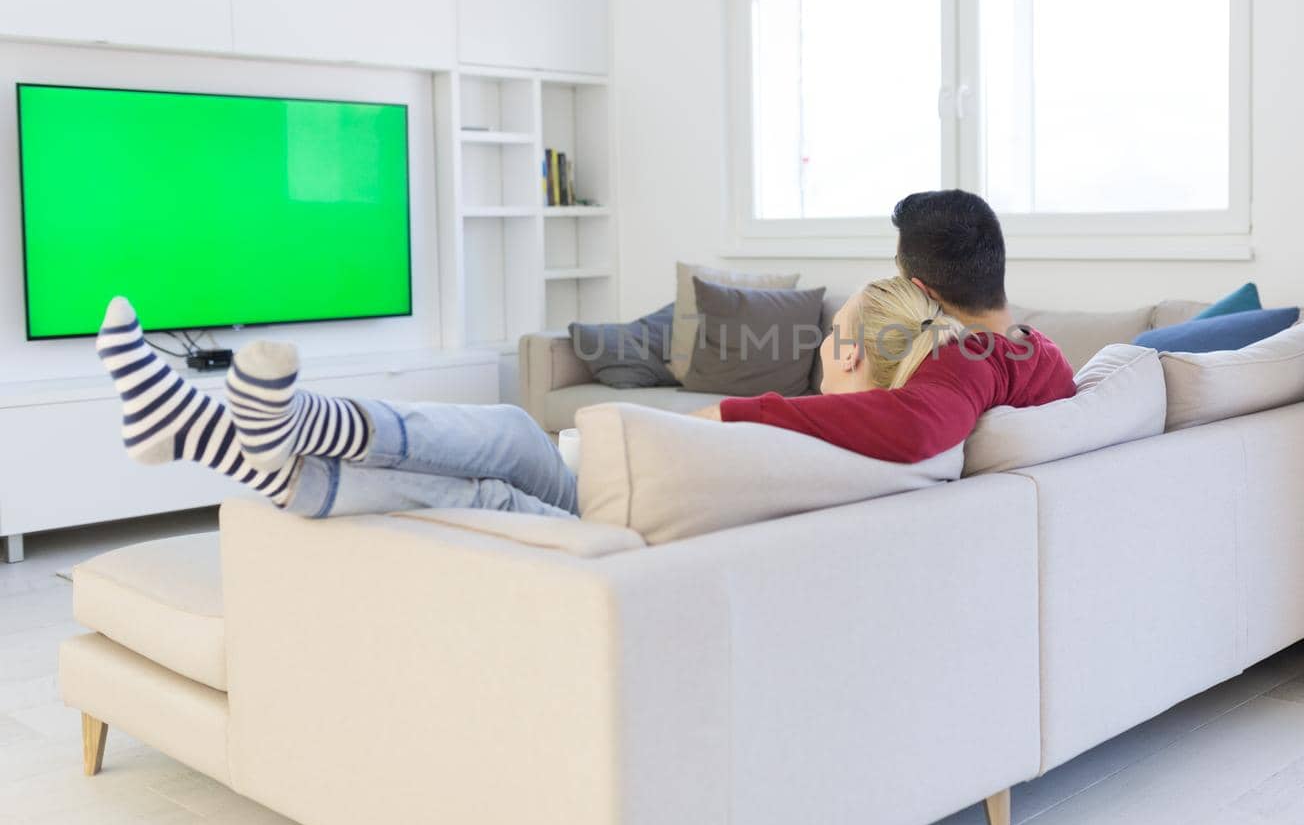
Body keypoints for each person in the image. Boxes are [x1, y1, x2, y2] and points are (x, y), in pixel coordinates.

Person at [94, 275, 974, 519]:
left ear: (851, 351)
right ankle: (218, 427)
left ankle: (229, 430)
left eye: (831, 334)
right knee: (514, 432)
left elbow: (698, 429)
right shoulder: (916, 435)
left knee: (496, 470)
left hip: (608, 524)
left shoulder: (807, 421)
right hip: (613, 503)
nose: (817, 344)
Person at [698, 189, 1077, 462]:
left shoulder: (966, 359)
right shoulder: (1045, 355)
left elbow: (916, 428)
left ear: (918, 290)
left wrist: (736, 413)